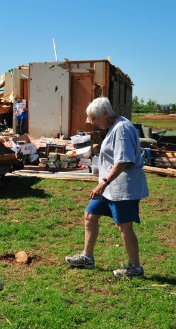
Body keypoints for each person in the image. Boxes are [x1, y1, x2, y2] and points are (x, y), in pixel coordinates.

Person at [65, 97, 149, 278]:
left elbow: (124, 161)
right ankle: (87, 258)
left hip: (121, 188)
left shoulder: (122, 129)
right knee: (90, 215)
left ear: (105, 113)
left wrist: (103, 182)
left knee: (124, 227)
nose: (92, 122)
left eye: (94, 118)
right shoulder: (114, 127)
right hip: (109, 186)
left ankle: (135, 268)